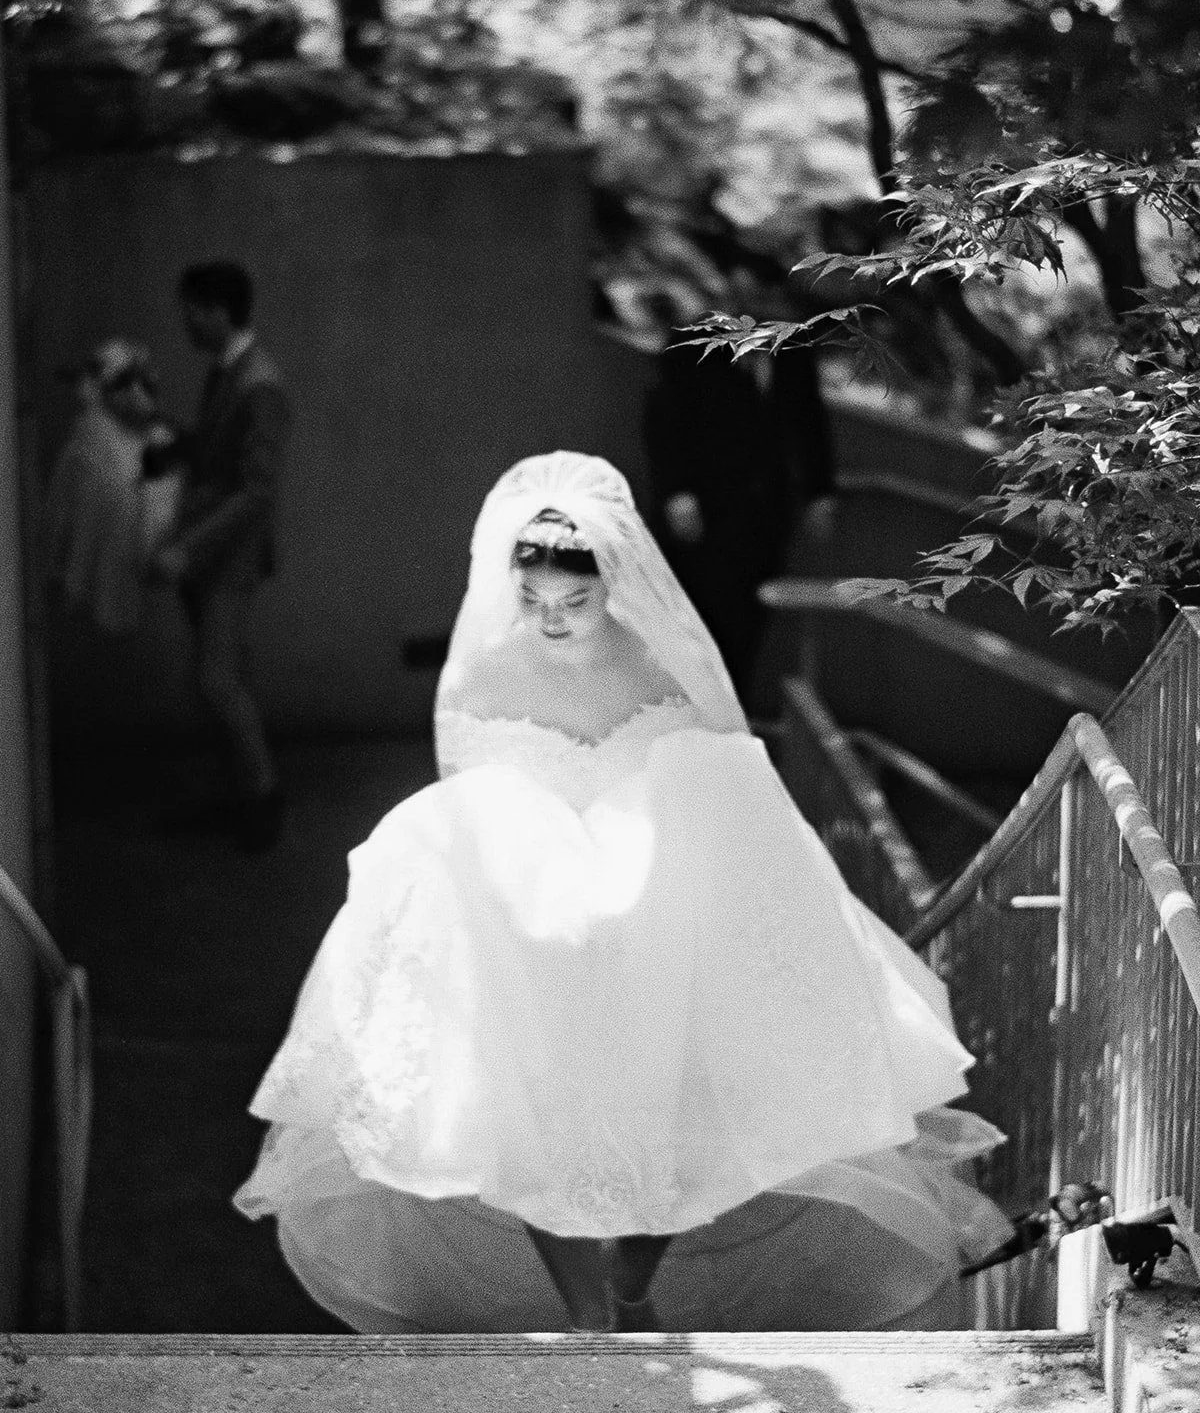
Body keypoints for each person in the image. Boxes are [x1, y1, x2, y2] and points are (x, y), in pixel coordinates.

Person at [234, 452, 1010, 1332]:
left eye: (574, 602)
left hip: (659, 910)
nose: (553, 622)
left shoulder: (662, 661)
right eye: (533, 602)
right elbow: (467, 787)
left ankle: (631, 1288)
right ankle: (590, 1317)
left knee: (692, 1132)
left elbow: (725, 771)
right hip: (532, 923)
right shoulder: (482, 669)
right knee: (523, 1126)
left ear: (612, 583)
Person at [148, 261, 292, 851]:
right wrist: (167, 436)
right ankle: (244, 795)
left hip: (225, 556)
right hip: (214, 551)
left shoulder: (259, 382)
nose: (185, 318)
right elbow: (219, 452)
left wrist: (186, 548)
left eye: (193, 307)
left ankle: (261, 802)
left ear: (219, 311)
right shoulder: (230, 370)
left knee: (218, 681)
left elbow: (256, 491)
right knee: (225, 678)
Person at [643, 339, 835, 696]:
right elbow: (665, 416)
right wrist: (676, 491)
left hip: (764, 513)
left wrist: (819, 491)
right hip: (705, 509)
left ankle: (729, 714)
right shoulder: (693, 343)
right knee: (700, 617)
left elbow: (808, 419)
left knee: (748, 623)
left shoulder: (793, 349)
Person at [43, 338, 180, 634]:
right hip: (94, 587)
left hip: (143, 580)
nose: (138, 392)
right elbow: (65, 516)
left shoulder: (159, 440)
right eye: (125, 383)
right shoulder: (91, 441)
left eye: (143, 381)